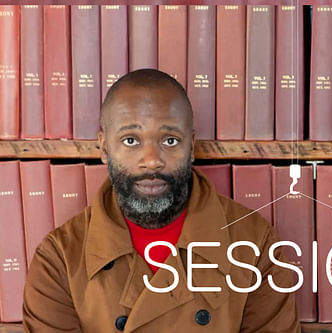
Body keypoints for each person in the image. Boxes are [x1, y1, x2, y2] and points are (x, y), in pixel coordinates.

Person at [23, 69, 301, 332]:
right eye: (131, 140)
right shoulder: (59, 259)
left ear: (191, 147)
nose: (152, 160)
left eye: (169, 141)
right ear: (105, 148)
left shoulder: (254, 244)